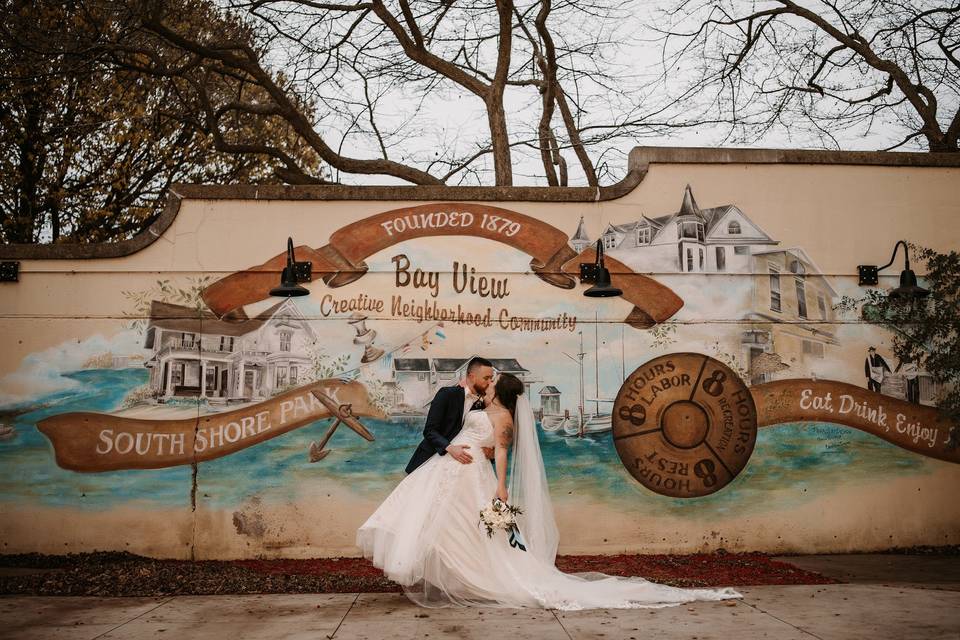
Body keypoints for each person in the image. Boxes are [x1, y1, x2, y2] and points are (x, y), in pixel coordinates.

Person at [357, 372, 741, 609]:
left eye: (492, 382)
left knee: (463, 526)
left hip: (473, 473)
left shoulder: (504, 418)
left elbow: (501, 452)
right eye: (487, 380)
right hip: (452, 466)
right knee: (438, 518)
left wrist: (502, 489)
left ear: (501, 391)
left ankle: (476, 576)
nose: (487, 384)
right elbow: (463, 427)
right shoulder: (479, 406)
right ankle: (447, 573)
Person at [405, 356, 495, 474]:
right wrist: (450, 448)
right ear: (472, 377)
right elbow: (429, 431)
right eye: (486, 378)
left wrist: (492, 453)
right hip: (428, 460)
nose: (490, 382)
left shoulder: (484, 405)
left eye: (491, 378)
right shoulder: (447, 394)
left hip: (458, 469)